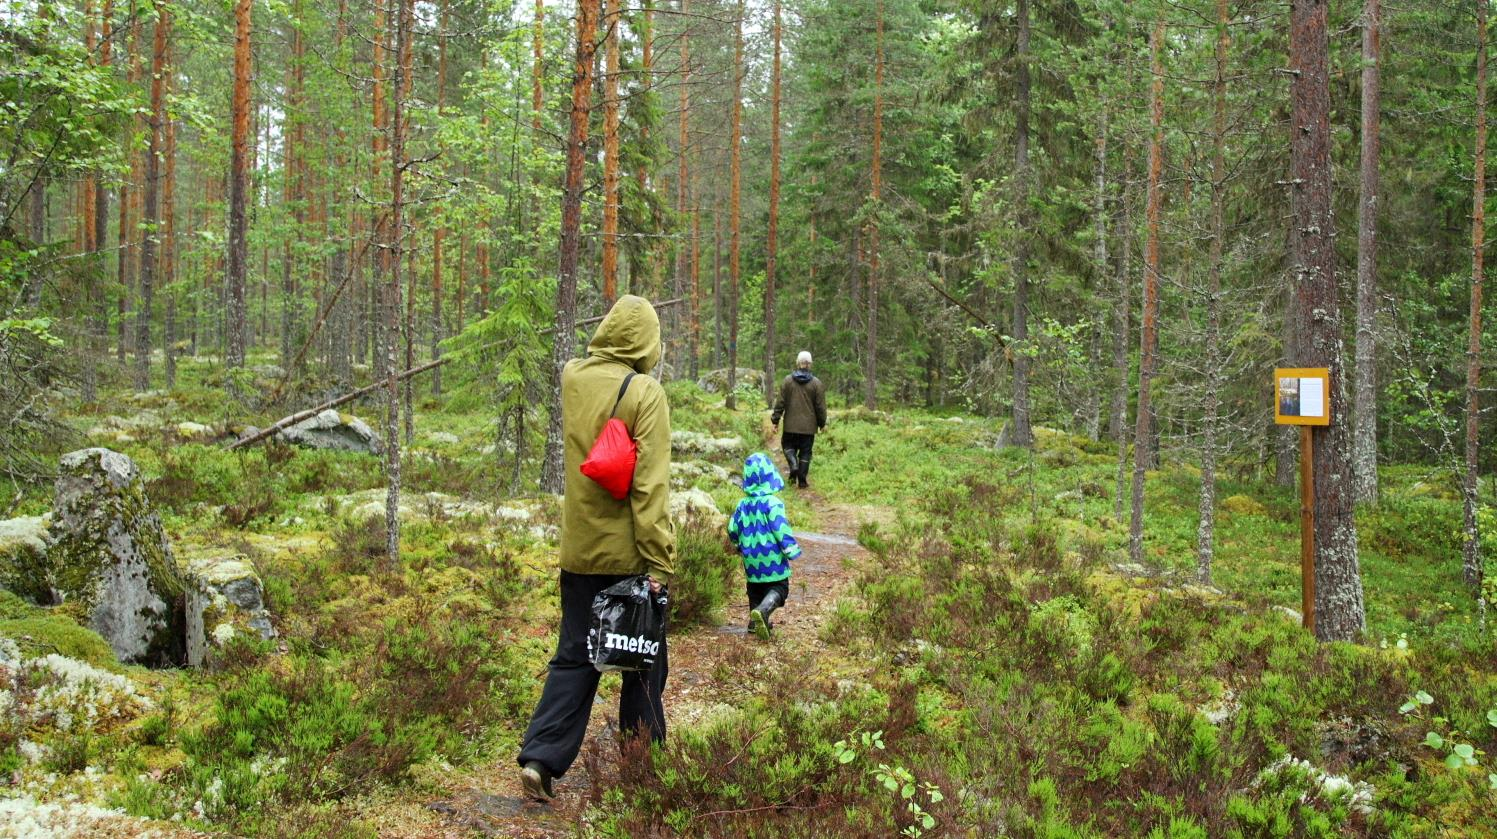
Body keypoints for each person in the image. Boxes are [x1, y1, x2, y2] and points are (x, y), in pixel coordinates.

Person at [518, 295, 675, 802]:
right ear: (646, 341)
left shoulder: (573, 378)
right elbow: (649, 487)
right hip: (628, 556)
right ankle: (642, 770)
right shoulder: (646, 393)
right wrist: (658, 562)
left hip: (579, 550)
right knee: (645, 662)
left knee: (575, 657)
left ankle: (541, 758)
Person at [726, 453, 802, 640]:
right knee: (779, 587)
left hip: (751, 559)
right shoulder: (773, 503)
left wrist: (737, 544)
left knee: (755, 589)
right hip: (772, 557)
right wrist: (790, 549)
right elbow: (780, 529)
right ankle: (763, 610)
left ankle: (755, 623)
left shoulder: (742, 505)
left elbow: (732, 528)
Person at [770, 351, 827, 489]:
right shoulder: (816, 384)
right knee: (806, 452)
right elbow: (820, 407)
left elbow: (780, 403)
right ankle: (802, 480)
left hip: (790, 426)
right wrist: (822, 423)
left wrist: (775, 421)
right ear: (810, 364)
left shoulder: (787, 381)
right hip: (808, 429)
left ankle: (793, 465)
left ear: (798, 363)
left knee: (788, 447)